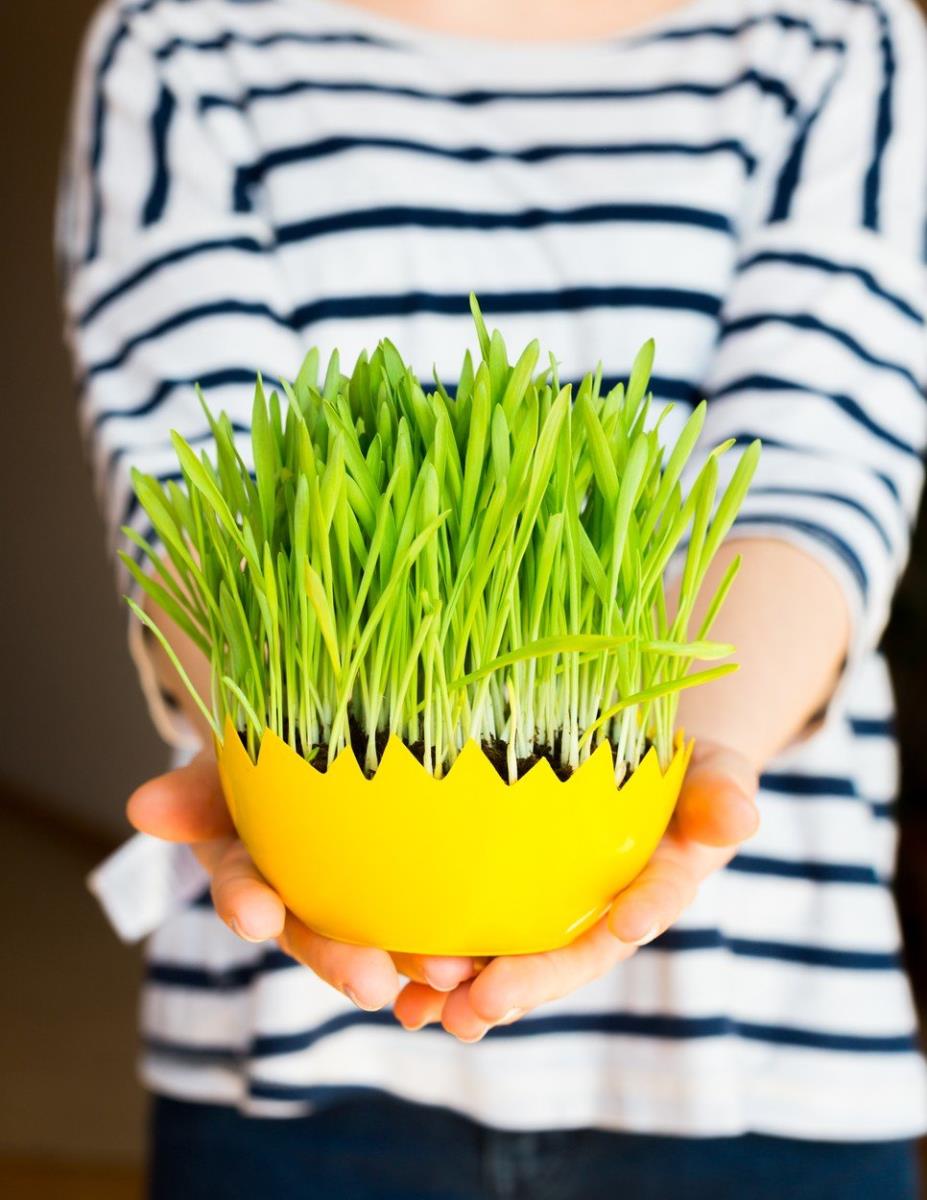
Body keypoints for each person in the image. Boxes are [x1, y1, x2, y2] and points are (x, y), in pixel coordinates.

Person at [58, 0, 927, 1196]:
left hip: (762, 1044)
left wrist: (698, 749)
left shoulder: (835, 34)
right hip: (295, 1062)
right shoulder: (181, 37)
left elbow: (819, 480)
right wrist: (266, 726)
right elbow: (192, 492)